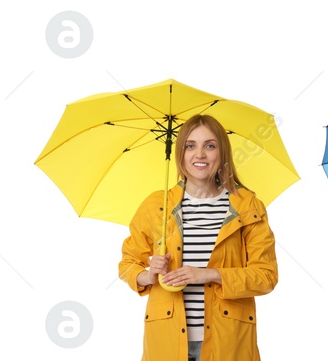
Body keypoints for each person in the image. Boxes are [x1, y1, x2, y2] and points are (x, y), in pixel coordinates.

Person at [117, 114, 280, 360]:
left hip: (228, 342)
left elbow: (266, 276)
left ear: (221, 153)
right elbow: (127, 263)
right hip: (167, 342)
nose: (199, 154)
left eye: (210, 145)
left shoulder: (247, 206)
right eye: (190, 145)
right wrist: (148, 275)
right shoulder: (156, 206)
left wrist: (211, 274)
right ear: (180, 153)